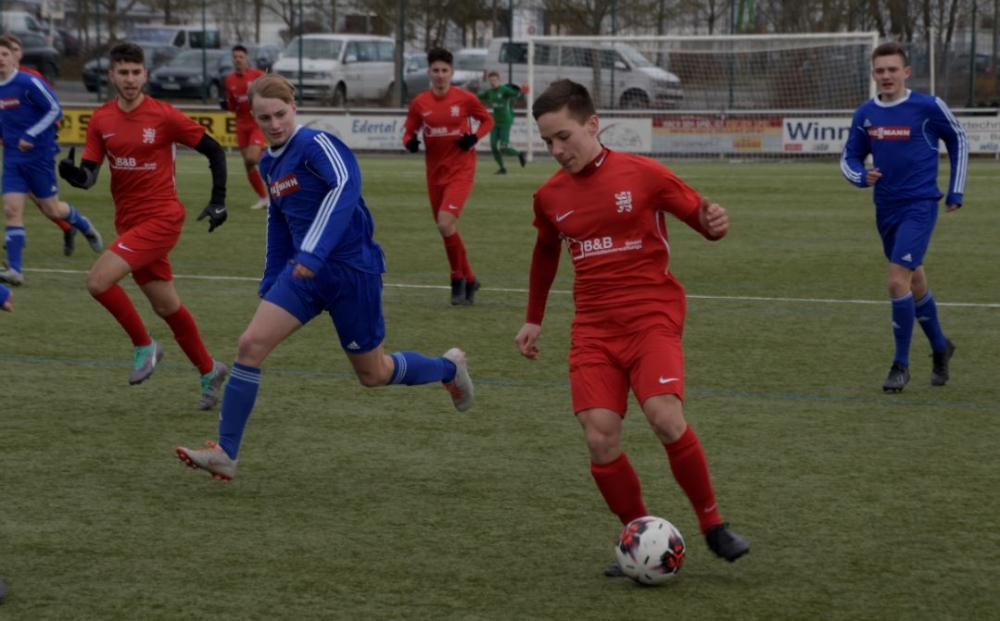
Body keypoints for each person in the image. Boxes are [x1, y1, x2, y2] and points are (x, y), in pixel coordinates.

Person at [175, 74, 475, 481]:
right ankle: (226, 452)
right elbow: (278, 223)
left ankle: (447, 369)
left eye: (280, 113)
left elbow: (345, 187)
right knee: (250, 345)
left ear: (294, 108)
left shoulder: (318, 145)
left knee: (374, 374)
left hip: (352, 272)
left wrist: (314, 250)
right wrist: (271, 279)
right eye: (264, 117)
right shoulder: (269, 163)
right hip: (303, 274)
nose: (274, 123)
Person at [513, 79, 750, 575]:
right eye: (548, 141)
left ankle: (713, 525)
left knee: (664, 416)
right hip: (594, 330)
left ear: (592, 125)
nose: (556, 150)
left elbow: (700, 218)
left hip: (651, 318)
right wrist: (534, 317)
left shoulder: (644, 174)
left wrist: (715, 223)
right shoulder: (549, 197)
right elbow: (545, 252)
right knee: (600, 439)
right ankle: (639, 537)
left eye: (564, 137)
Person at [57, 42, 230, 409]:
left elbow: (214, 150)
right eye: (124, 72)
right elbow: (90, 175)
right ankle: (209, 368)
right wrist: (74, 176)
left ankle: (144, 345)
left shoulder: (164, 116)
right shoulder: (102, 119)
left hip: (163, 218)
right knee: (167, 307)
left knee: (97, 281)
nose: (131, 79)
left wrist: (218, 200)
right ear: (111, 76)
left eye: (137, 72)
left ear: (145, 75)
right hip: (130, 224)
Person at [841, 42, 966, 393]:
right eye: (880, 70)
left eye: (893, 69)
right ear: (873, 74)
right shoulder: (866, 114)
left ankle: (900, 365)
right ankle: (941, 347)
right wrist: (860, 176)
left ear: (906, 72)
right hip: (886, 208)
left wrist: (956, 190)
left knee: (897, 281)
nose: (886, 76)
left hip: (920, 205)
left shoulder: (926, 106)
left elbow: (958, 139)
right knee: (915, 282)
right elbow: (849, 157)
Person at [0, 35, 103, 286]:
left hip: (40, 157)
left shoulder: (28, 82)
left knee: (52, 209)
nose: (0, 59)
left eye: (4, 54)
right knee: (12, 210)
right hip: (13, 158)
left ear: (14, 56)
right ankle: (15, 271)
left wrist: (31, 134)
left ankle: (84, 225)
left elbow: (55, 109)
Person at [403, 47, 494, 306]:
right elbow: (409, 131)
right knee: (447, 229)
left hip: (461, 171)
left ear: (452, 72)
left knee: (445, 223)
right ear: (429, 72)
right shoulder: (420, 102)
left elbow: (487, 121)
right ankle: (471, 279)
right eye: (436, 70)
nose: (440, 75)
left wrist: (474, 138)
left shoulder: (465, 99)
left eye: (445, 70)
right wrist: (409, 141)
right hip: (434, 174)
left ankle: (456, 278)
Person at [7, 32, 80, 256]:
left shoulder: (31, 77)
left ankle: (67, 227)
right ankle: (15, 237)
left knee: (39, 200)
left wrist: (40, 134)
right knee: (18, 198)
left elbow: (51, 107)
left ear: (17, 54)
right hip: (12, 148)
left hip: (36, 148)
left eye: (14, 50)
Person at [223, 44, 269, 210]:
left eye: (241, 57)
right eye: (235, 57)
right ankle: (263, 198)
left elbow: (271, 88)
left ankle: (278, 161)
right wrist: (226, 105)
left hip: (256, 122)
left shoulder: (257, 75)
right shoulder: (229, 80)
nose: (238, 60)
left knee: (252, 157)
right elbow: (231, 104)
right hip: (241, 124)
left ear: (246, 59)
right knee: (248, 164)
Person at [478, 71, 527, 175]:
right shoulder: (489, 92)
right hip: (495, 122)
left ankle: (519, 154)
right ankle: (502, 168)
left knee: (504, 148)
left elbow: (516, 94)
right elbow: (478, 96)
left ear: (498, 80)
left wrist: (522, 91)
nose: (493, 82)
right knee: (493, 145)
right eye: (491, 80)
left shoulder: (504, 90)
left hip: (505, 121)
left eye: (494, 80)